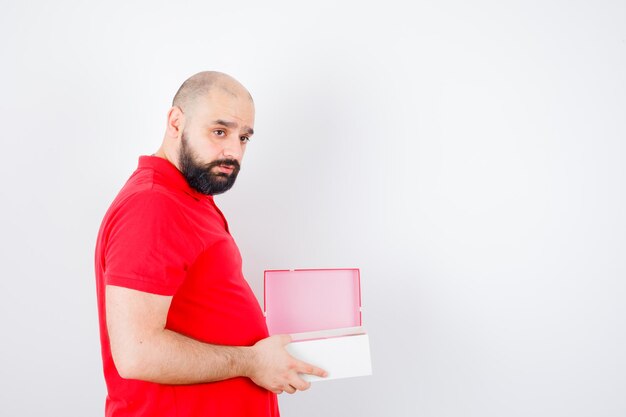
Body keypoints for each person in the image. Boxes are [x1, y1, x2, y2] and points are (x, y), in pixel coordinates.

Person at [94, 71, 326, 417]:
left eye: (244, 137)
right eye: (219, 131)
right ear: (176, 123)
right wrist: (251, 362)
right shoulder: (153, 204)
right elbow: (137, 353)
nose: (233, 150)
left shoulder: (190, 197)